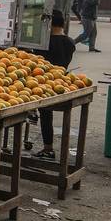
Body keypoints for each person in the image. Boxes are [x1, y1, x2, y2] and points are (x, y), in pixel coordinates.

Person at [36, 11, 77, 158]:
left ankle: (48, 148)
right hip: (62, 83)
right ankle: (48, 148)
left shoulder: (45, 44)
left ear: (50, 24)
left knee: (45, 113)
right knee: (47, 114)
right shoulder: (70, 42)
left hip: (43, 84)